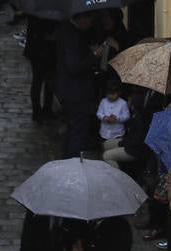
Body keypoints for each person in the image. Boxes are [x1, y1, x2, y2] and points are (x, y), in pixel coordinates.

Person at [55, 13, 100, 158]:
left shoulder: (69, 30)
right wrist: (94, 55)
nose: (91, 22)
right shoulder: (71, 35)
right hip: (75, 93)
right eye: (90, 19)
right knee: (77, 132)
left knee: (73, 129)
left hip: (72, 91)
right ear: (81, 18)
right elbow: (73, 67)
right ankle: (72, 163)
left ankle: (67, 160)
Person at [101, 92, 148, 169]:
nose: (127, 102)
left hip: (134, 151)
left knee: (106, 156)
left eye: (129, 101)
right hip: (128, 143)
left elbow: (136, 140)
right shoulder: (133, 114)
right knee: (106, 144)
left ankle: (117, 175)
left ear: (133, 104)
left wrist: (122, 143)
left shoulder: (139, 120)